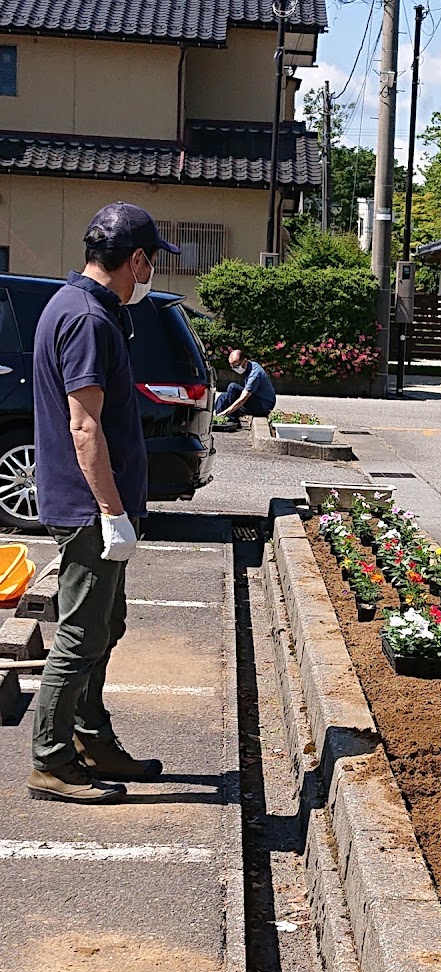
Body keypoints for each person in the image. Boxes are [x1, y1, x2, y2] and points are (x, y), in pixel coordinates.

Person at [29, 201, 179, 804]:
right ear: (135, 259)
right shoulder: (89, 319)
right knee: (80, 636)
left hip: (88, 503)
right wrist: (113, 512)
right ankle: (51, 758)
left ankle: (90, 738)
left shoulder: (74, 306)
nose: (150, 275)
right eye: (150, 262)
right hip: (90, 507)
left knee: (102, 626)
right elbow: (84, 427)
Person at [214, 349, 276, 425]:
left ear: (245, 361)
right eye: (233, 367)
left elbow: (243, 398)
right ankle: (218, 418)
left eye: (237, 366)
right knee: (223, 397)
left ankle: (231, 419)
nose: (235, 369)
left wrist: (226, 412)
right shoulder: (250, 367)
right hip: (256, 399)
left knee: (232, 387)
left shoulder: (255, 373)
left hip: (264, 404)